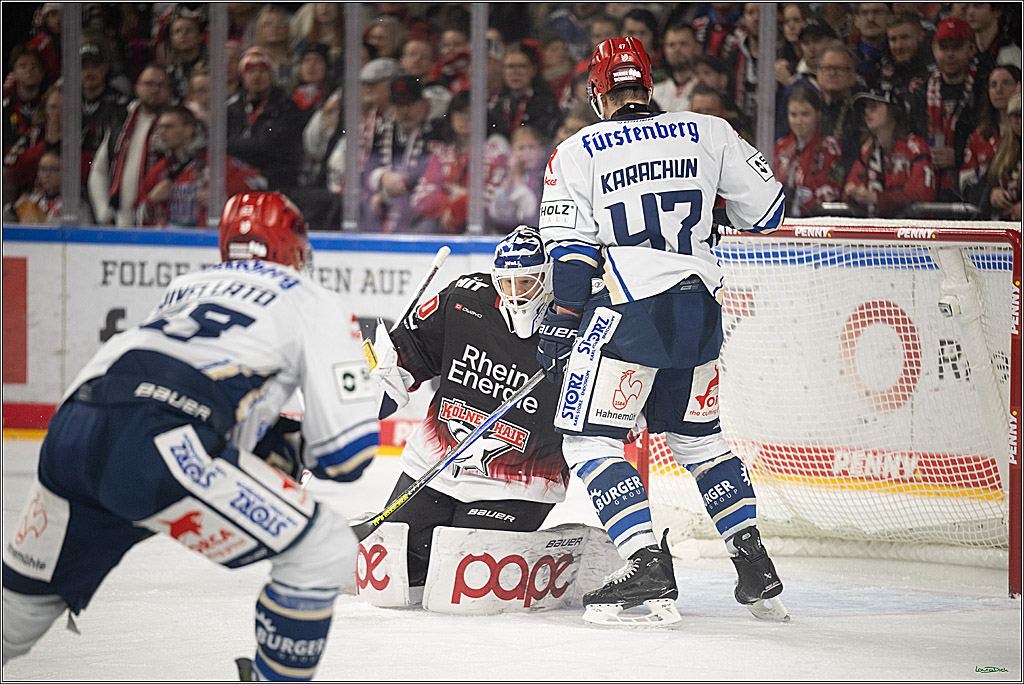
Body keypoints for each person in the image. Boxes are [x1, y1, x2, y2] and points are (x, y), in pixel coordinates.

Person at [1, 191, 379, 681]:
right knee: (324, 547)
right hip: (157, 443)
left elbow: (186, 379)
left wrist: (261, 444)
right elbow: (346, 457)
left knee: (14, 618)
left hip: (73, 428)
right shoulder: (312, 299)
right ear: (292, 247)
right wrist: (303, 438)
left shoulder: (187, 285)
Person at [537, 37, 787, 626]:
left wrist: (565, 319)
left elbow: (573, 253)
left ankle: (646, 559)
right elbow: (770, 213)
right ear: (649, 86)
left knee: (590, 441)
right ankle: (754, 563)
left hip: (630, 312)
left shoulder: (577, 151)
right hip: (702, 309)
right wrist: (710, 207)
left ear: (599, 93)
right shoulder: (710, 130)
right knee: (700, 442)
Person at [367, 225, 568, 596]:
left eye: (526, 283)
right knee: (398, 571)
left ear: (548, 277)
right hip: (434, 467)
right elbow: (415, 355)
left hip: (520, 483)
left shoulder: (569, 323)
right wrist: (391, 365)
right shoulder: (464, 298)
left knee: (462, 575)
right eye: (506, 283)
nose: (515, 294)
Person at [136, 105, 267, 228]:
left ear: (188, 130)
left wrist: (223, 195)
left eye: (168, 127)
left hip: (206, 243)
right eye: (160, 127)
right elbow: (137, 216)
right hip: (169, 243)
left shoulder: (216, 162)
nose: (161, 132)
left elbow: (259, 181)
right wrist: (151, 200)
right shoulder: (160, 169)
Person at [88, 64, 173, 227]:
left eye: (161, 85)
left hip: (160, 224)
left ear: (170, 90)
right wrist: (103, 211)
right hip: (121, 224)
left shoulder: (178, 124)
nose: (154, 90)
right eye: (149, 84)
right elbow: (99, 169)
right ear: (137, 88)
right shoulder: (122, 122)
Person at [909, 17, 981, 202]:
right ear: (934, 50)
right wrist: (925, 155)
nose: (949, 54)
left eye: (956, 48)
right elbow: (912, 135)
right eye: (944, 48)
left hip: (972, 190)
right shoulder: (921, 91)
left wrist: (958, 155)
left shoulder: (984, 88)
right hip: (930, 186)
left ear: (971, 49)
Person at [843, 87, 937, 217]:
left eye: (874, 106)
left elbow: (922, 196)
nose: (866, 111)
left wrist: (877, 198)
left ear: (894, 111)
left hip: (910, 232)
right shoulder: (867, 149)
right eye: (865, 107)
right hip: (875, 231)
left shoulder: (915, 147)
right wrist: (852, 193)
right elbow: (849, 191)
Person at [226, 47, 303, 194]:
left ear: (271, 75)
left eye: (262, 70)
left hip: (276, 181)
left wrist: (232, 146)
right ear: (242, 76)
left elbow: (270, 147)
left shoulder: (287, 107)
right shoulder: (230, 108)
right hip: (236, 177)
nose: (256, 76)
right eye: (250, 71)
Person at [774, 86, 846, 217]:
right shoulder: (780, 147)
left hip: (817, 221)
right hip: (781, 222)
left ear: (818, 115)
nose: (798, 121)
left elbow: (833, 190)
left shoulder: (830, 148)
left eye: (805, 114)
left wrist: (801, 201)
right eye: (793, 115)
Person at [985, 91, 1021, 221]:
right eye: (1016, 116)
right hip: (1003, 228)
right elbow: (980, 187)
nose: (1020, 121)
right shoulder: (1002, 152)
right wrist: (992, 195)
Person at [653, 23, 700, 113]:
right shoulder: (654, 92)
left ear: (697, 47)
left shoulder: (705, 85)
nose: (677, 49)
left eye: (683, 44)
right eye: (671, 45)